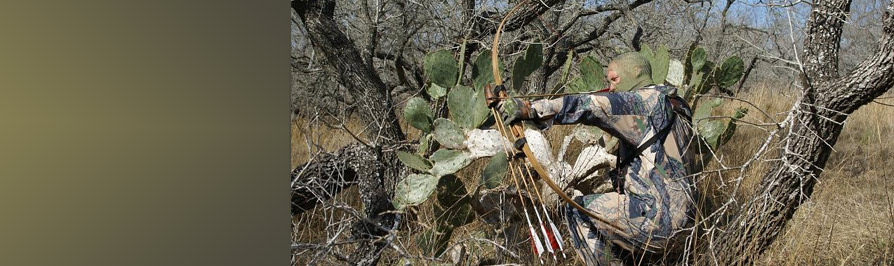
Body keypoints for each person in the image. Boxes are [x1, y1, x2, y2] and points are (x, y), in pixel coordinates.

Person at [497, 52, 697, 265]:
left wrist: (530, 109)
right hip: (690, 225)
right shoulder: (675, 103)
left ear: (637, 72)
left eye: (614, 79)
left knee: (577, 210)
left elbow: (591, 105)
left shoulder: (643, 102)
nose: (610, 87)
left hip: (659, 220)